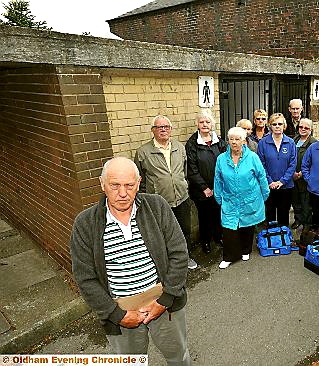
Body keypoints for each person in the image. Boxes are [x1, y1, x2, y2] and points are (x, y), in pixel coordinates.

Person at [70, 157, 191, 365]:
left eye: (129, 185)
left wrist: (166, 299)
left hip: (164, 305)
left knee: (178, 357)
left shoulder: (157, 206)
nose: (123, 193)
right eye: (115, 185)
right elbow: (85, 278)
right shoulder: (85, 223)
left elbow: (179, 253)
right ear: (102, 184)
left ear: (139, 182)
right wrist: (115, 314)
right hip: (121, 314)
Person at [134, 115, 198, 270]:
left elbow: (185, 170)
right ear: (152, 131)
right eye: (159, 127)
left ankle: (186, 257)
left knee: (184, 231)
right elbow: (140, 179)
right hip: (159, 202)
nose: (163, 130)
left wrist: (182, 186)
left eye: (166, 127)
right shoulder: (143, 152)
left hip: (181, 198)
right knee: (162, 234)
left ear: (171, 129)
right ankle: (166, 263)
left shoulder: (179, 147)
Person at [214, 127, 270, 269]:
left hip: (250, 198)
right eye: (231, 139)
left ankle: (246, 250)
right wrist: (218, 197)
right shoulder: (221, 159)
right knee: (229, 229)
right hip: (230, 199)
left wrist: (265, 194)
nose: (234, 142)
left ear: (244, 141)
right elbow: (218, 179)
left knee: (247, 225)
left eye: (237, 139)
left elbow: (261, 177)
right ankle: (229, 257)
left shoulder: (252, 157)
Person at [185, 110, 227, 254]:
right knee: (204, 217)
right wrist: (204, 188)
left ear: (212, 124)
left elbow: (226, 163)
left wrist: (219, 185)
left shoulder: (220, 142)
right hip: (201, 190)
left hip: (219, 187)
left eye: (207, 122)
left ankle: (218, 237)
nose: (204, 124)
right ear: (197, 124)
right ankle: (206, 241)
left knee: (217, 214)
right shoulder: (192, 144)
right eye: (201, 122)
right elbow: (192, 169)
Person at [257, 113, 297, 227]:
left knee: (283, 216)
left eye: (280, 124)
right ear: (270, 126)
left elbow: (292, 164)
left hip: (286, 186)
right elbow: (261, 164)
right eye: (274, 124)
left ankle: (283, 240)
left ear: (284, 125)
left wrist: (282, 181)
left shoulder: (290, 142)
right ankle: (271, 241)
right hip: (269, 186)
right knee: (270, 216)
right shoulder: (263, 143)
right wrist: (270, 181)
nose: (277, 126)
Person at [291, 118, 317, 229]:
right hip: (293, 176)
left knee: (306, 203)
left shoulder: (313, 143)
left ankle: (307, 224)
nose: (303, 129)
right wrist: (292, 173)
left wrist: (301, 173)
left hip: (305, 178)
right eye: (301, 127)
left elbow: (314, 162)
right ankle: (298, 219)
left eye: (306, 128)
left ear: (310, 129)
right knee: (295, 200)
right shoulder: (294, 140)